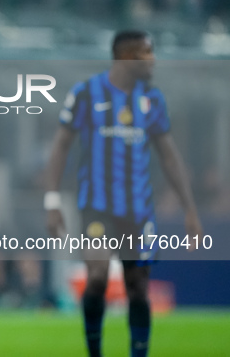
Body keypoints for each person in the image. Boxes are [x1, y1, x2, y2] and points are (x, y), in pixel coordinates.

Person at [44, 30, 202, 357]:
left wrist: (190, 208)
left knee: (138, 287)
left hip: (139, 210)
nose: (153, 59)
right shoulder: (86, 94)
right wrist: (52, 199)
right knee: (98, 277)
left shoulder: (152, 99)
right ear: (127, 56)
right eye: (147, 52)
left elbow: (168, 156)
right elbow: (60, 146)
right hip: (97, 206)